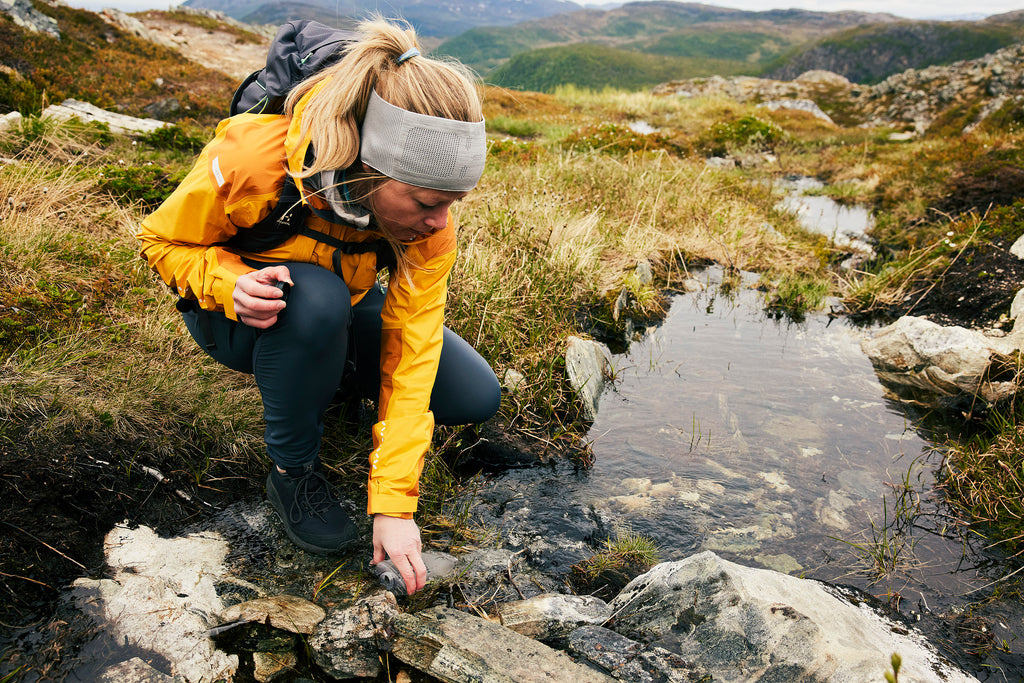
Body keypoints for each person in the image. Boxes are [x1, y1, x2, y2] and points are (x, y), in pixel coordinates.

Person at [136, 17, 501, 596]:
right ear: (372, 168)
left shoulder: (430, 224)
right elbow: (161, 241)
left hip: (327, 308)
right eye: (428, 202)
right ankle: (293, 473)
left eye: (453, 203)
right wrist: (228, 282)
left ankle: (323, 381)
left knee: (472, 394)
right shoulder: (259, 159)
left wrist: (393, 504)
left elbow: (414, 342)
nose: (439, 221)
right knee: (318, 301)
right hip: (238, 315)